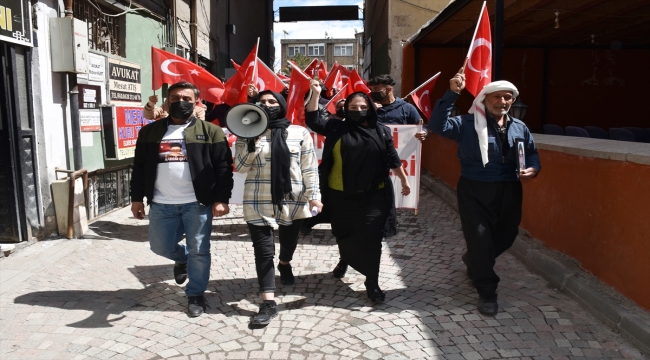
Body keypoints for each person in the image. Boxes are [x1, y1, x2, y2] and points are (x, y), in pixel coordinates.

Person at [428, 68, 541, 316]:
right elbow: (437, 125)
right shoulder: (466, 123)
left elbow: (531, 153)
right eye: (497, 97)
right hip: (475, 188)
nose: (503, 102)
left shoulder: (520, 126)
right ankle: (487, 290)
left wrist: (532, 169)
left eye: (507, 97)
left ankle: (475, 261)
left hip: (509, 188)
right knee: (479, 239)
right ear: (484, 99)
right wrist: (451, 94)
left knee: (506, 236)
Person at [130, 81, 234, 317]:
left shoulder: (211, 131)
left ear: (196, 101)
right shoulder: (150, 132)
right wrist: (137, 197)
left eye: (187, 98)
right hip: (161, 202)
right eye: (176, 98)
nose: (181, 102)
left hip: (197, 204)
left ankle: (195, 293)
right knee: (160, 246)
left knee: (200, 249)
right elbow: (139, 167)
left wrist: (221, 199)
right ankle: (182, 259)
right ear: (167, 101)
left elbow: (223, 169)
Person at [305, 80, 411, 302]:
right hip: (340, 195)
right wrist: (315, 94)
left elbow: (392, 158)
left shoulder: (381, 131)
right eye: (353, 108)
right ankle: (346, 258)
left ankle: (371, 281)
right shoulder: (336, 126)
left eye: (363, 107)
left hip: (374, 196)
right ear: (346, 110)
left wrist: (403, 180)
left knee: (372, 239)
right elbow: (313, 119)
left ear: (370, 108)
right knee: (345, 234)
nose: (359, 111)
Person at [234, 90, 322, 326]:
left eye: (272, 101)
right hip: (257, 200)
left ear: (281, 106)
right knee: (263, 251)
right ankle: (268, 302)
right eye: (262, 102)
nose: (267, 104)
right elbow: (241, 167)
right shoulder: (245, 132)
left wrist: (314, 196)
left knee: (289, 243)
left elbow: (309, 168)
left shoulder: (299, 132)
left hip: (293, 199)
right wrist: (254, 141)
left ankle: (285, 263)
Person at [367, 74, 427, 141]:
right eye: (371, 89)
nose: (373, 92)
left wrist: (423, 133)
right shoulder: (368, 107)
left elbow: (421, 128)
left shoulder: (407, 108)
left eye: (376, 89)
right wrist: (370, 111)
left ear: (389, 89)